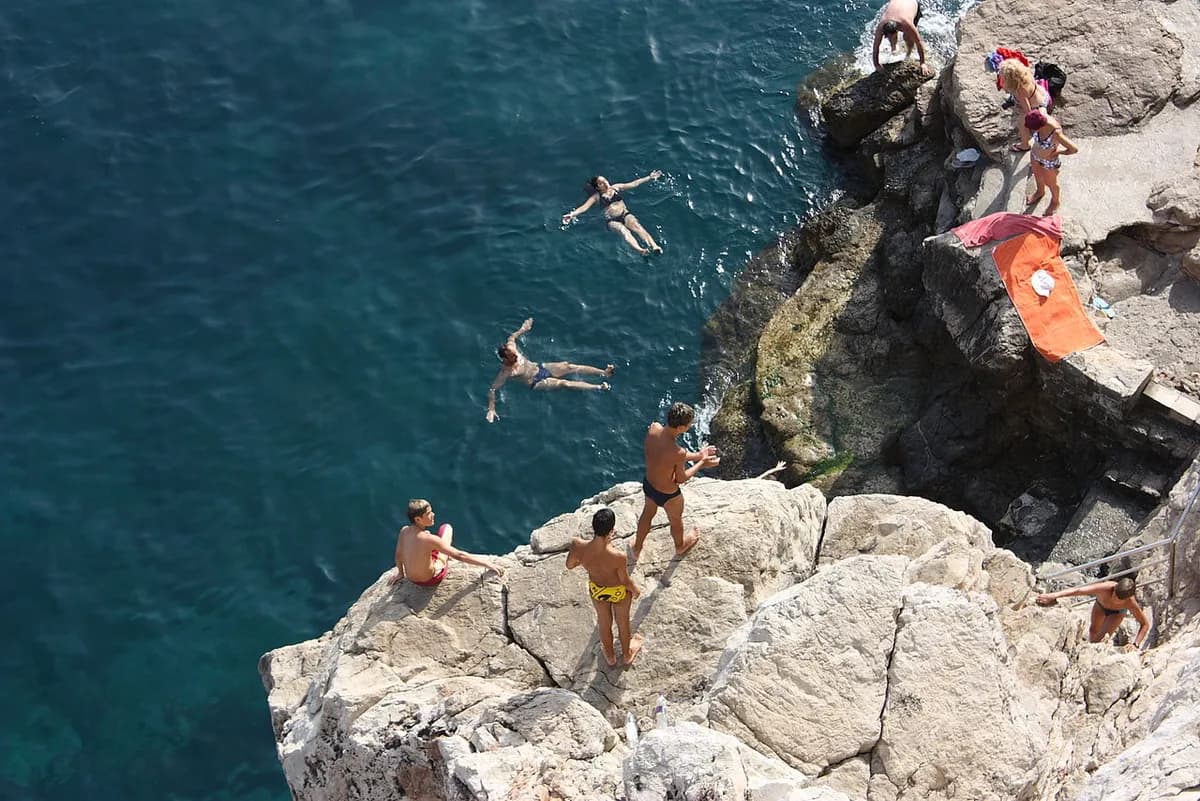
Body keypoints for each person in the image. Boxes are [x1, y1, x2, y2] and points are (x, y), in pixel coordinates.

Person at [631, 402, 720, 562]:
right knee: (676, 520)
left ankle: (637, 548)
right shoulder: (677, 452)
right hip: (669, 495)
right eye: (688, 425)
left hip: (649, 486)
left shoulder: (654, 428)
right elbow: (681, 479)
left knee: (647, 515)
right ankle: (680, 546)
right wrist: (702, 463)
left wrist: (699, 454)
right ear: (680, 428)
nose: (689, 427)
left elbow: (667, 454)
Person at [486, 317, 613, 423]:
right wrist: (491, 409)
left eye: (514, 355)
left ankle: (603, 372)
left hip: (540, 367)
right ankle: (598, 387)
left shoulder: (511, 347)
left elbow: (512, 337)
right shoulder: (506, 372)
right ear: (505, 360)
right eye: (511, 359)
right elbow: (493, 389)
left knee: (568, 366)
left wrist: (523, 329)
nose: (515, 358)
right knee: (564, 383)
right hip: (535, 382)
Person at [566, 507, 644, 666]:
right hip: (618, 592)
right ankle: (627, 654)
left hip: (597, 590)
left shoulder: (577, 545)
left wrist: (586, 562)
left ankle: (609, 655)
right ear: (612, 530)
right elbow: (624, 580)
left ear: (593, 527)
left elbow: (570, 565)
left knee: (604, 622)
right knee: (623, 623)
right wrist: (635, 590)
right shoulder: (618, 556)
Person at [389, 499, 505, 587]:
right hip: (430, 580)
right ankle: (443, 558)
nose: (433, 514)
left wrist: (400, 573)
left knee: (429, 542)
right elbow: (459, 555)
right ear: (418, 519)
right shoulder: (429, 539)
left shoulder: (404, 531)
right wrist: (487, 564)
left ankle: (440, 552)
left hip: (412, 579)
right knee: (446, 528)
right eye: (429, 513)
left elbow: (398, 555)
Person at [562, 172, 665, 255]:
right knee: (623, 231)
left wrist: (649, 177)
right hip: (612, 221)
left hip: (625, 214)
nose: (606, 182)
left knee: (637, 227)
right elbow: (584, 207)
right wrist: (572, 214)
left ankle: (654, 246)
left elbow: (633, 184)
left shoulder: (616, 187)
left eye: (605, 180)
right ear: (598, 187)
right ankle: (640, 250)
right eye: (601, 183)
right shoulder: (596, 197)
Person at [1036, 576, 1150, 649]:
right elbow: (1078, 591)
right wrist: (1053, 595)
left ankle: (1095, 650)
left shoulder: (1130, 602)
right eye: (1114, 595)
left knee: (1101, 639)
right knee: (1093, 630)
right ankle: (1090, 647)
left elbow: (1145, 624)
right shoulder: (1105, 588)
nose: (1114, 599)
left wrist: (1136, 644)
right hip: (1100, 606)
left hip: (1117, 613)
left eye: (1119, 599)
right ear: (1114, 588)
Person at [1022, 109, 1078, 216]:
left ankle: (1055, 201)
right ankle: (1040, 191)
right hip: (1034, 155)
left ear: (1041, 126)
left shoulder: (1055, 132)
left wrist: (1058, 152)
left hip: (1048, 161)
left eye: (1033, 129)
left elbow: (1074, 149)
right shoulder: (1041, 113)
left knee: (1052, 183)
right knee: (1037, 176)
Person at [999, 59, 1052, 152]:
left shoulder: (1020, 92)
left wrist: (1030, 121)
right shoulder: (1027, 74)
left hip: (1038, 106)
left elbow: (1028, 111)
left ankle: (1025, 145)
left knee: (1021, 122)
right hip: (1044, 95)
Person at [871, 0, 927, 71]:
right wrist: (877, 65)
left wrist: (923, 63)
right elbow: (876, 46)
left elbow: (919, 42)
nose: (890, 37)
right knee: (891, 37)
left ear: (897, 29)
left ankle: (909, 52)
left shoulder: (906, 23)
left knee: (907, 37)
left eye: (892, 35)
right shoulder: (881, 25)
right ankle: (893, 48)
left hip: (912, 4)